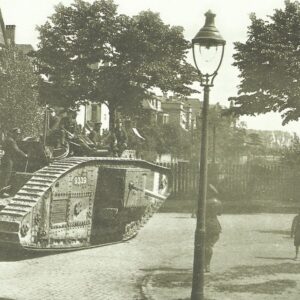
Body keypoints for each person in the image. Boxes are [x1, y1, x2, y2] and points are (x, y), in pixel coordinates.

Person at [0, 128, 28, 197]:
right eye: (17, 134)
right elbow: (17, 150)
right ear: (13, 133)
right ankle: (2, 192)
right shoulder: (11, 141)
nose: (17, 135)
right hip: (8, 160)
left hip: (4, 159)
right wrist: (25, 155)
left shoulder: (7, 139)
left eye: (18, 134)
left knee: (3, 174)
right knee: (6, 175)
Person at [204, 184, 222, 272]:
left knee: (205, 246)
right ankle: (206, 264)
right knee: (209, 245)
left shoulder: (205, 202)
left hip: (206, 225)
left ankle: (206, 265)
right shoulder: (219, 202)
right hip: (216, 226)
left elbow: (197, 214)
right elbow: (219, 213)